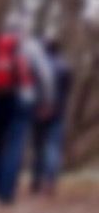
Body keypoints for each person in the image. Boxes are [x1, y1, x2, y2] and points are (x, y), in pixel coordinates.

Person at [0, 25, 55, 204]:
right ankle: (6, 192)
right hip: (22, 98)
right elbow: (45, 75)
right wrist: (47, 101)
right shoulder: (31, 46)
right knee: (15, 143)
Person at [31, 39, 73, 195]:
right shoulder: (66, 68)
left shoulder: (38, 68)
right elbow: (67, 91)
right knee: (53, 146)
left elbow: (33, 90)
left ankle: (36, 182)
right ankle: (50, 181)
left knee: (39, 147)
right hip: (58, 112)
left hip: (38, 111)